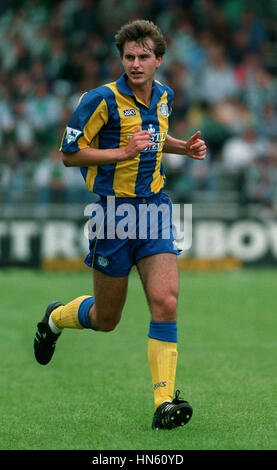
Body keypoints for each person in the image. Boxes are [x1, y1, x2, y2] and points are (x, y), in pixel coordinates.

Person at [34, 20, 207, 430]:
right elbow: (69, 155)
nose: (135, 63)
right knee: (107, 318)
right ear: (121, 59)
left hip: (155, 210)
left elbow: (156, 136)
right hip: (113, 215)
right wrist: (122, 152)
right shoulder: (100, 99)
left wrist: (184, 147)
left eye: (143, 56)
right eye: (129, 56)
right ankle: (55, 319)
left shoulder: (164, 95)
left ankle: (164, 402)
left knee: (165, 300)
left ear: (158, 59)